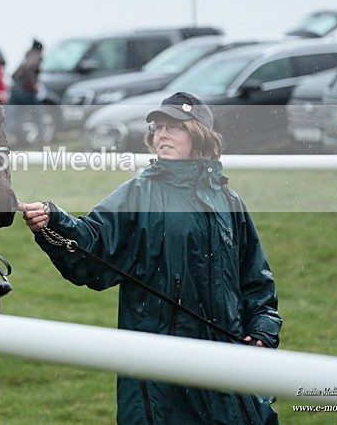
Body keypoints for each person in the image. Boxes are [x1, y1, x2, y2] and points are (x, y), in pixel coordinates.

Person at [19, 92, 281, 424]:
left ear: (199, 135)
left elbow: (256, 282)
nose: (162, 135)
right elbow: (93, 249)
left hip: (228, 369)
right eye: (158, 128)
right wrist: (55, 223)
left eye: (174, 128)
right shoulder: (138, 194)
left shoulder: (229, 201)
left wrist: (262, 331)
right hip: (161, 380)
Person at [5, 39, 45, 145]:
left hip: (16, 93)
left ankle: (6, 140)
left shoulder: (26, 57)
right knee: (38, 117)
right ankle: (42, 139)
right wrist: (34, 84)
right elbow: (29, 69)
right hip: (26, 93)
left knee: (12, 119)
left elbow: (13, 76)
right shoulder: (35, 56)